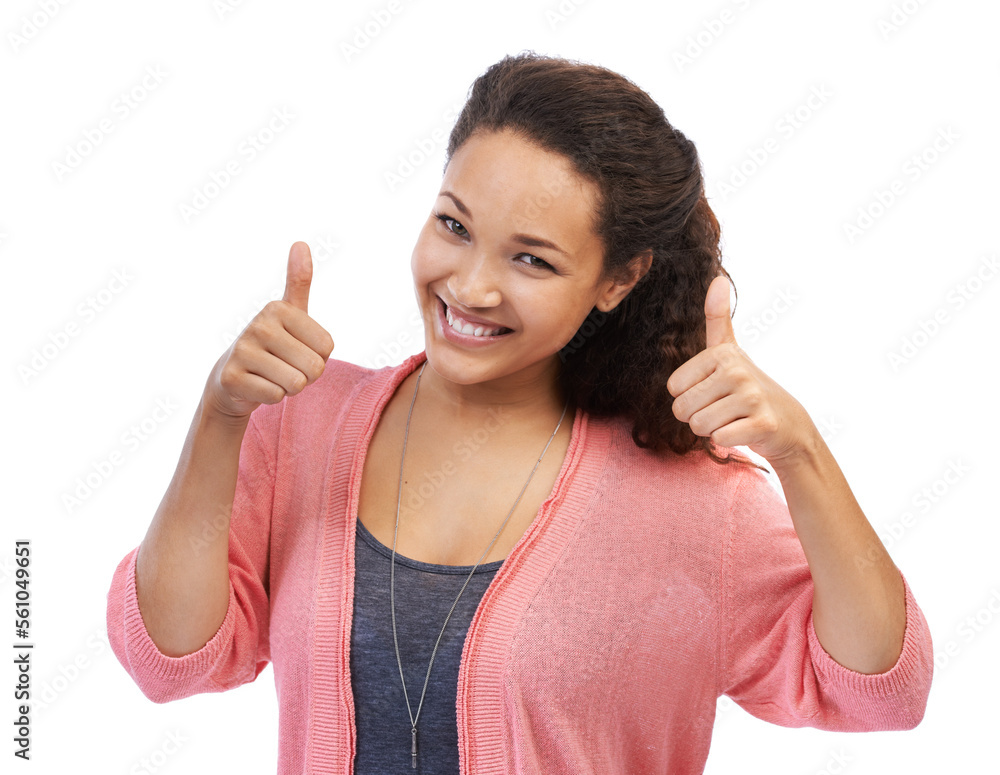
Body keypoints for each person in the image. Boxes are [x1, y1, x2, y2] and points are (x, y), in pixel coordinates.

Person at [105, 51, 933, 774]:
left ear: (618, 279)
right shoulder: (303, 422)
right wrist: (221, 414)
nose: (470, 286)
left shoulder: (693, 504)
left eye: (531, 259)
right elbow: (169, 658)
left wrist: (799, 453)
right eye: (454, 225)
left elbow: (880, 689)